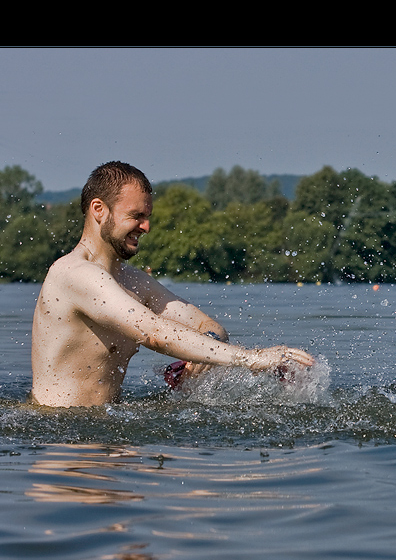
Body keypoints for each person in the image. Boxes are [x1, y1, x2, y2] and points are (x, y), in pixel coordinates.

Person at [30, 161, 315, 407]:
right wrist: (252, 359)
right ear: (99, 210)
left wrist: (207, 350)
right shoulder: (73, 274)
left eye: (147, 217)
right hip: (63, 443)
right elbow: (154, 332)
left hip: (103, 432)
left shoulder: (132, 281)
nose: (146, 227)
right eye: (136, 216)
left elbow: (210, 327)